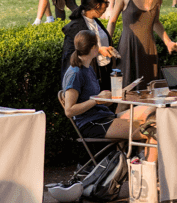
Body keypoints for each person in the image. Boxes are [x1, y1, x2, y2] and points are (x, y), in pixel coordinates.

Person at [62, 30, 155, 160]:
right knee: (152, 132)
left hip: (105, 117)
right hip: (92, 124)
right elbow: (69, 110)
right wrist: (97, 100)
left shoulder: (88, 67)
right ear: (94, 47)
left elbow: (97, 100)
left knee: (152, 113)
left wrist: (111, 97)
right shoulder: (75, 73)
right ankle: (147, 171)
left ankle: (134, 160)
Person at [107, 0, 177, 89]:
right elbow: (112, 21)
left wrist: (168, 42)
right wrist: (106, 44)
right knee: (125, 92)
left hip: (149, 47)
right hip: (128, 48)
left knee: (149, 93)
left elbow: (155, 22)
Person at [61, 0, 115, 90]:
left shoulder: (95, 22)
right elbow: (71, 56)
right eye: (106, 3)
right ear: (97, 5)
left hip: (104, 73)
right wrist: (99, 50)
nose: (107, 6)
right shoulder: (75, 28)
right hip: (89, 79)